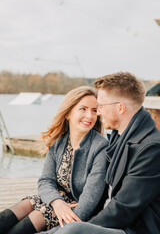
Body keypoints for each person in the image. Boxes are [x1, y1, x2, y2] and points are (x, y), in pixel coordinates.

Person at [50, 72, 160, 234]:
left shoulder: (151, 148)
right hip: (109, 221)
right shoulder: (118, 137)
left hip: (132, 229)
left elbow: (122, 210)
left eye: (101, 106)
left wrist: (83, 225)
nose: (98, 113)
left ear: (120, 108)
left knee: (71, 231)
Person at [0, 86, 108, 234]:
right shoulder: (59, 142)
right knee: (7, 217)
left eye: (94, 110)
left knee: (26, 224)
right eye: (83, 109)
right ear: (69, 113)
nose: (89, 116)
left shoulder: (100, 147)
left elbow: (90, 199)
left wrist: (67, 220)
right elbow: (45, 181)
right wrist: (57, 202)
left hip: (75, 209)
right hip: (55, 199)